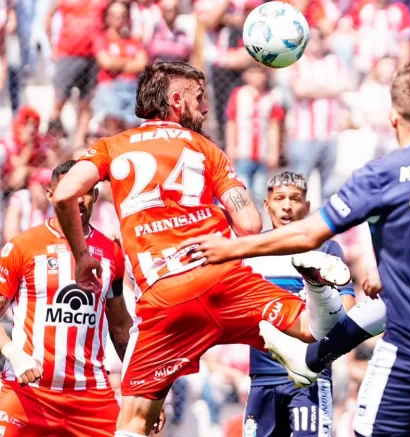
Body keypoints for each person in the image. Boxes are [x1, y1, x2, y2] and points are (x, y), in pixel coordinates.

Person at [182, 61, 410, 436]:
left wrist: (231, 249)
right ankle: (314, 359)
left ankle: (312, 359)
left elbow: (308, 235)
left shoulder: (383, 174)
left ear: (393, 117)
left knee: (368, 430)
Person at [51, 60, 351, 437]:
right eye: (199, 98)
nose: (206, 108)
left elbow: (64, 194)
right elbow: (249, 225)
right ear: (177, 101)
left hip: (165, 297)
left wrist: (82, 256)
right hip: (223, 280)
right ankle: (318, 286)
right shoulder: (207, 149)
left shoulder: (112, 147)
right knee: (313, 328)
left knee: (134, 422)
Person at [0, 160, 163, 436]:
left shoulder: (111, 253)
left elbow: (121, 327)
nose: (77, 199)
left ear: (95, 195)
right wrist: (14, 353)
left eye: (85, 191)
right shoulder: (22, 247)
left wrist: (145, 394)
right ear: (51, 195)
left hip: (91, 397)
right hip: (28, 393)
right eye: (68, 191)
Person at [244, 171, 357, 436]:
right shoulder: (251, 251)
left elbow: (348, 310)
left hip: (311, 377)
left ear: (307, 207)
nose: (287, 206)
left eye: (295, 199)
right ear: (266, 205)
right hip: (262, 378)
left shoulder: (325, 250)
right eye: (279, 198)